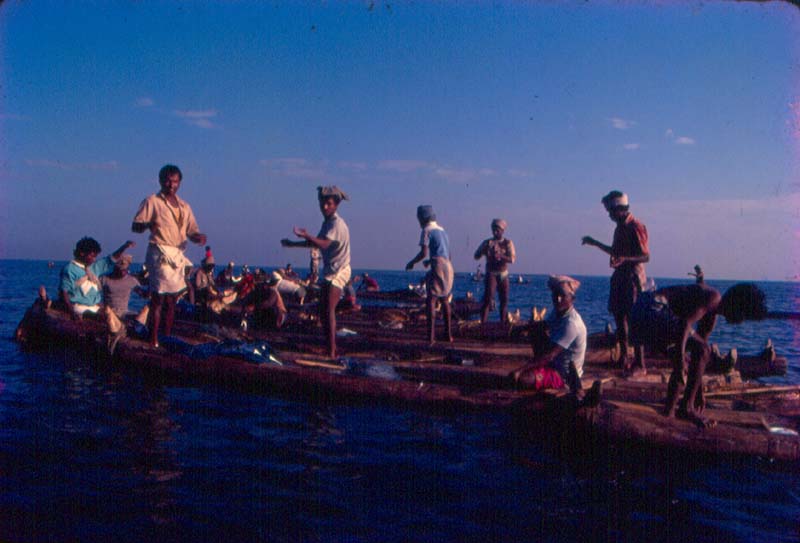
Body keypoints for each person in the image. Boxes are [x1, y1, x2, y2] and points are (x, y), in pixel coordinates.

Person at [630, 282, 767, 427]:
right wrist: (680, 361)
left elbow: (699, 357)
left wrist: (698, 392)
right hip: (649, 310)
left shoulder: (711, 316)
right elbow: (685, 326)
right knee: (695, 351)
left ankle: (674, 410)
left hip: (646, 315)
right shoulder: (713, 298)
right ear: (737, 305)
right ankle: (683, 409)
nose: (740, 321)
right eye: (743, 316)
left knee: (698, 350)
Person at [132, 164, 207, 347]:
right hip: (159, 252)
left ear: (179, 183)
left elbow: (191, 231)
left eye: (175, 181)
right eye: (167, 181)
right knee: (158, 297)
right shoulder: (152, 201)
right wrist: (148, 224)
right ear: (160, 181)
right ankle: (153, 340)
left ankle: (165, 337)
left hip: (177, 254)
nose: (171, 185)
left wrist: (198, 237)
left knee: (172, 299)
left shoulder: (184, 206)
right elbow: (136, 226)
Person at [582, 190, 649, 373]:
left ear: (620, 209)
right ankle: (624, 357)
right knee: (620, 317)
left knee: (634, 319)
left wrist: (625, 259)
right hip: (620, 276)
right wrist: (595, 243)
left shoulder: (636, 226)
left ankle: (640, 363)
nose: (609, 216)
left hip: (632, 278)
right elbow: (616, 252)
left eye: (611, 212)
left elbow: (645, 256)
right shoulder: (619, 228)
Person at [281, 185, 351, 359]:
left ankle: (332, 352)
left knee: (328, 310)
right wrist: (293, 244)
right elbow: (315, 243)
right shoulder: (327, 223)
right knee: (324, 310)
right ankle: (330, 347)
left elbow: (324, 244)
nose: (325, 207)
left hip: (340, 271)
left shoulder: (336, 224)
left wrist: (306, 235)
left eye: (329, 204)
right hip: (330, 271)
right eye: (322, 204)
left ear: (336, 205)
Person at [510, 276, 600, 408]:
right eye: (556, 295)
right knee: (536, 330)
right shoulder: (559, 312)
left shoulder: (572, 324)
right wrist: (522, 328)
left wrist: (520, 370)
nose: (558, 299)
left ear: (572, 299)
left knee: (522, 380)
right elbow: (545, 325)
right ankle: (539, 369)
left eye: (563, 296)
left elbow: (550, 355)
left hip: (563, 374)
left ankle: (566, 388)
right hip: (554, 362)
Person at [406, 205, 454, 345]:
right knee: (444, 299)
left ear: (422, 218)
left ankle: (430, 338)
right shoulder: (443, 231)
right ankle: (448, 335)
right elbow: (446, 254)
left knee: (431, 300)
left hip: (438, 265)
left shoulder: (426, 231)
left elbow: (424, 253)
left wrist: (412, 262)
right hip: (448, 266)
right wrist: (430, 262)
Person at [59, 237, 135, 318]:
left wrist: (124, 247)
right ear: (82, 253)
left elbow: (111, 259)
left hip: (95, 306)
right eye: (92, 256)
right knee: (98, 316)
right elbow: (64, 292)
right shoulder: (70, 269)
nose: (94, 259)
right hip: (79, 307)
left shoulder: (95, 267)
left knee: (118, 316)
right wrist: (71, 312)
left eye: (95, 257)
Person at [473, 218, 516, 325]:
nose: (495, 232)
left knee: (504, 300)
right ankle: (483, 324)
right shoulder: (487, 243)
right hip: (491, 273)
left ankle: (502, 323)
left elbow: (512, 259)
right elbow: (476, 256)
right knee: (488, 298)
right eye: (493, 230)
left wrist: (501, 256)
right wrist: (484, 251)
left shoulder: (508, 243)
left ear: (502, 231)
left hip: (503, 274)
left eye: (497, 230)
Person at [100, 253, 147, 318]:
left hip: (124, 313)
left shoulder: (131, 280)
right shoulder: (104, 279)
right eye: (121, 270)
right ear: (115, 269)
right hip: (109, 313)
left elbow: (143, 294)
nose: (123, 272)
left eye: (125, 270)